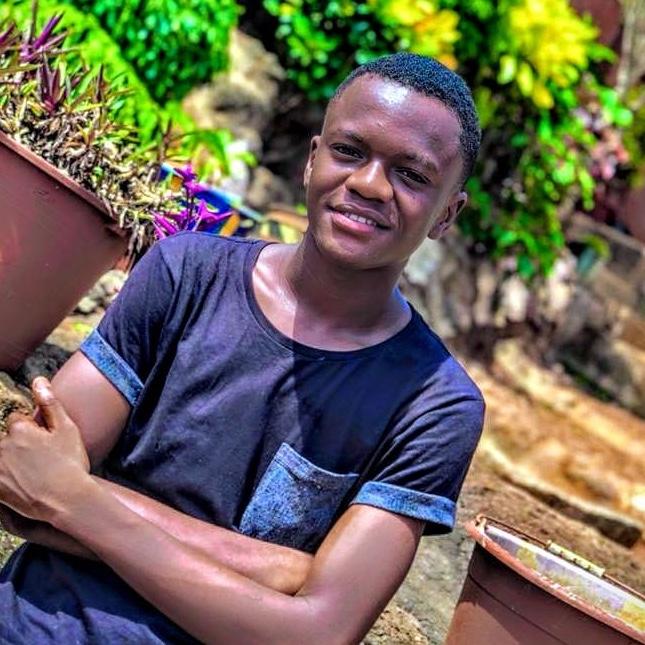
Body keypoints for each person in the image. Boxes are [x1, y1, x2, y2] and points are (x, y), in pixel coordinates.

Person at [0, 52, 485, 644]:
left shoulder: (434, 404)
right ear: (313, 160)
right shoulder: (185, 274)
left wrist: (78, 502)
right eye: (349, 151)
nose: (368, 184)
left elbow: (316, 636)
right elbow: (23, 487)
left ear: (447, 214)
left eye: (411, 176)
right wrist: (283, 571)